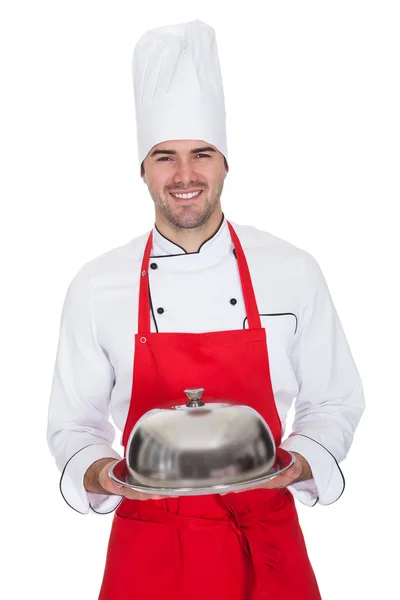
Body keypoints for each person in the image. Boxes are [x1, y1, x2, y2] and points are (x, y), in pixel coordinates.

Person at [47, 19, 365, 600]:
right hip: (149, 545)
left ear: (225, 163)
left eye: (202, 155)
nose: (185, 176)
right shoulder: (97, 286)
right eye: (165, 157)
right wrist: (102, 472)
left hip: (262, 537)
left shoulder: (292, 270)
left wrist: (299, 461)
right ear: (142, 168)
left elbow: (334, 400)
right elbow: (73, 424)